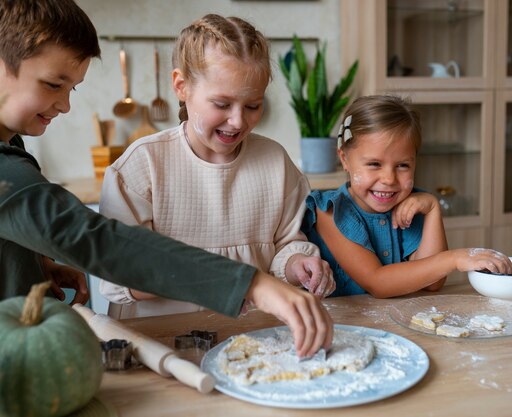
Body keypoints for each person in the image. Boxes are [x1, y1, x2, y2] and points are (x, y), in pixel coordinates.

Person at [0, 0, 331, 358]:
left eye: (72, 89)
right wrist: (251, 283)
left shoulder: (12, 146)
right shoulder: (135, 167)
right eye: (52, 84)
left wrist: (36, 263)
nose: (65, 105)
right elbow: (98, 241)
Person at [98, 14, 335, 319]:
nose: (237, 121)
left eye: (253, 106)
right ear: (181, 86)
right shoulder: (142, 166)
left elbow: (286, 246)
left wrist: (295, 265)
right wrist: (234, 282)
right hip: (161, 342)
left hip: (250, 338)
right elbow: (121, 275)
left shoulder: (275, 163)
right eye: (222, 104)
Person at [302, 95, 512, 298]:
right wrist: (455, 258)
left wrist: (432, 209)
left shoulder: (412, 205)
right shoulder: (328, 210)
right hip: (340, 326)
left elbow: (432, 284)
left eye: (403, 165)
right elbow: (378, 283)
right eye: (374, 164)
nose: (389, 178)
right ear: (345, 160)